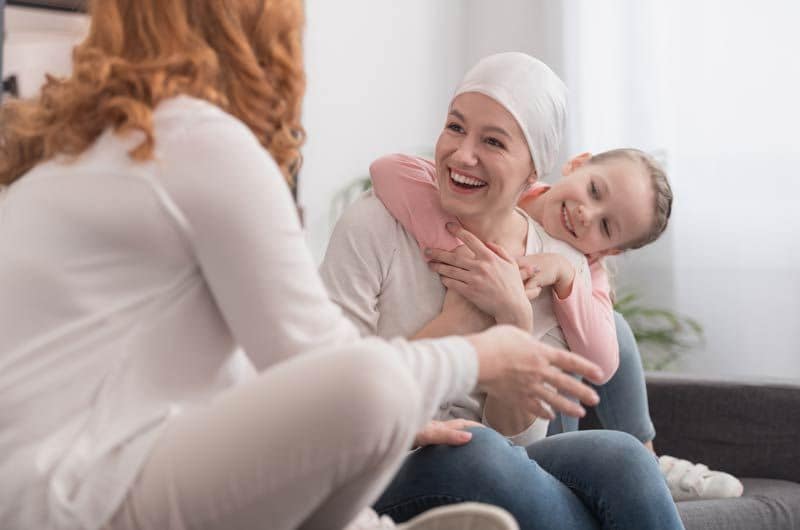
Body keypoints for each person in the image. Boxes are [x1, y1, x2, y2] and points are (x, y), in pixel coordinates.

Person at [0, 3, 612, 530]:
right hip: (72, 495)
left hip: (42, 481)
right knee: (379, 403)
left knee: (609, 456)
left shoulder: (89, 143)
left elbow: (250, 377)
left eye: (496, 140)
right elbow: (334, 375)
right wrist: (482, 354)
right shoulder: (199, 142)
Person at [320, 52, 685, 529]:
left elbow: (521, 435)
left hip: (503, 460)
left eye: (492, 141)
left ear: (533, 172)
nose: (462, 154)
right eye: (455, 127)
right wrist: (456, 328)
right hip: (375, 466)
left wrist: (515, 320)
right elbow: (330, 396)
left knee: (623, 455)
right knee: (479, 452)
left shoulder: (555, 265)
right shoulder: (374, 224)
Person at [369, 135, 742, 504]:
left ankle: (646, 463)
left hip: (534, 419)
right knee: (614, 326)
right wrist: (465, 252)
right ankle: (644, 464)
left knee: (612, 328)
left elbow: (601, 364)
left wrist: (566, 276)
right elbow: (386, 169)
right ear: (577, 164)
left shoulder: (583, 263)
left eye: (606, 226)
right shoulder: (506, 187)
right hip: (479, 401)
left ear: (608, 250)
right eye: (594, 190)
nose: (586, 214)